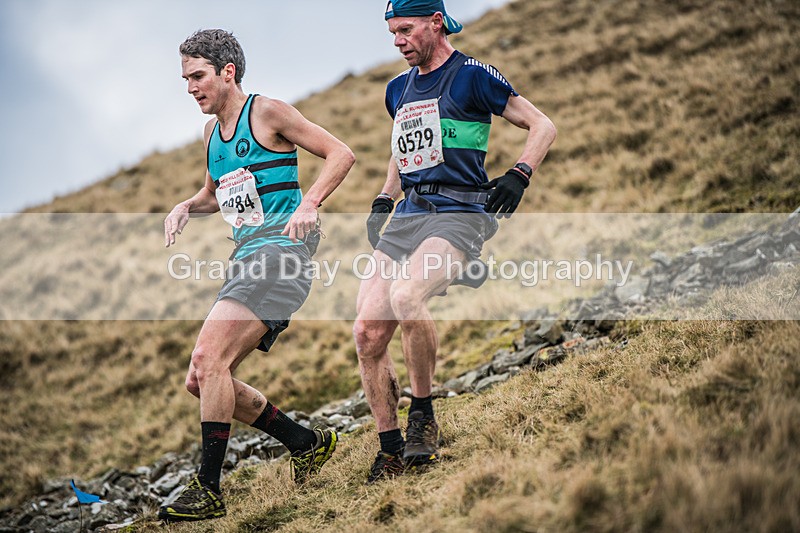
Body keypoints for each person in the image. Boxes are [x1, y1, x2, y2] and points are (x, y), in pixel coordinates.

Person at [353, 0, 556, 483]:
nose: (398, 41)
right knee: (366, 333)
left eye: (405, 30)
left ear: (436, 22)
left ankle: (422, 414)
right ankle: (389, 447)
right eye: (392, 33)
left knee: (406, 297)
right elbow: (401, 146)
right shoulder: (396, 89)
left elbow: (542, 125)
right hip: (409, 213)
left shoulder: (473, 75)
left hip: (459, 211)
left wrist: (519, 174)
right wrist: (385, 197)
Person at [159, 29, 355, 522]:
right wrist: (187, 206)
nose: (190, 88)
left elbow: (341, 154)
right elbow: (216, 193)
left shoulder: (267, 112)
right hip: (247, 257)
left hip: (281, 255)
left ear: (228, 72)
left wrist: (310, 203)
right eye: (185, 79)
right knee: (200, 379)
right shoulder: (210, 136)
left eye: (198, 76)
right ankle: (305, 443)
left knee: (208, 359)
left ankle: (207, 489)